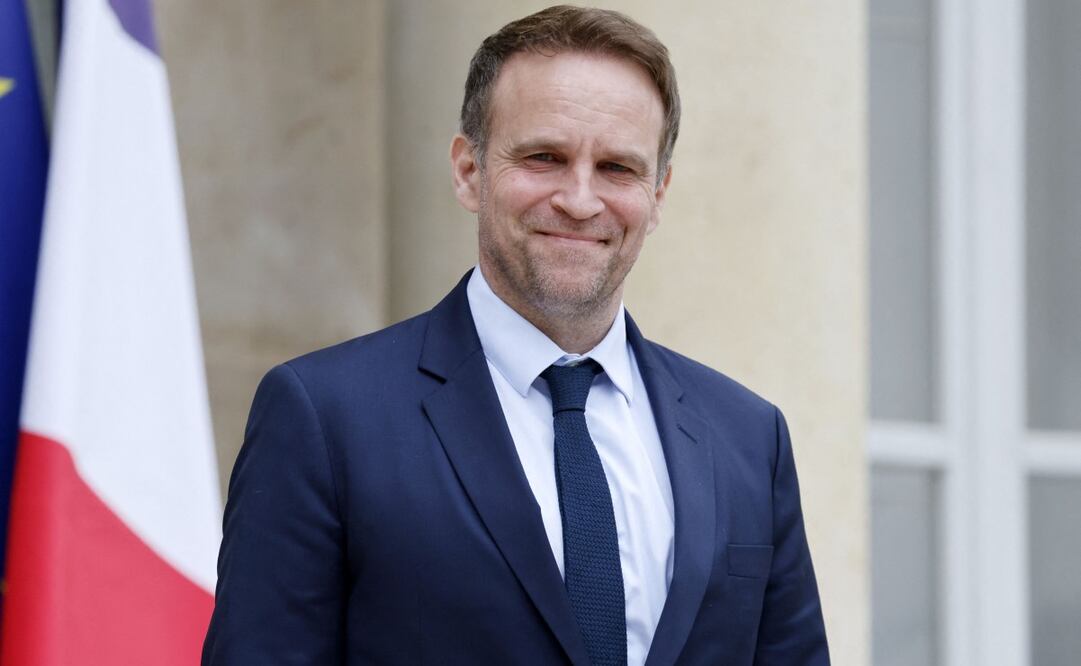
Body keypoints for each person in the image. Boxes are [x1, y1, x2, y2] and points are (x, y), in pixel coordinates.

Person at [202, 5, 829, 665]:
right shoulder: (326, 418)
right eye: (543, 157)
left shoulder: (747, 438)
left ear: (659, 192)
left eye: (617, 168)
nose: (580, 200)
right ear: (468, 170)